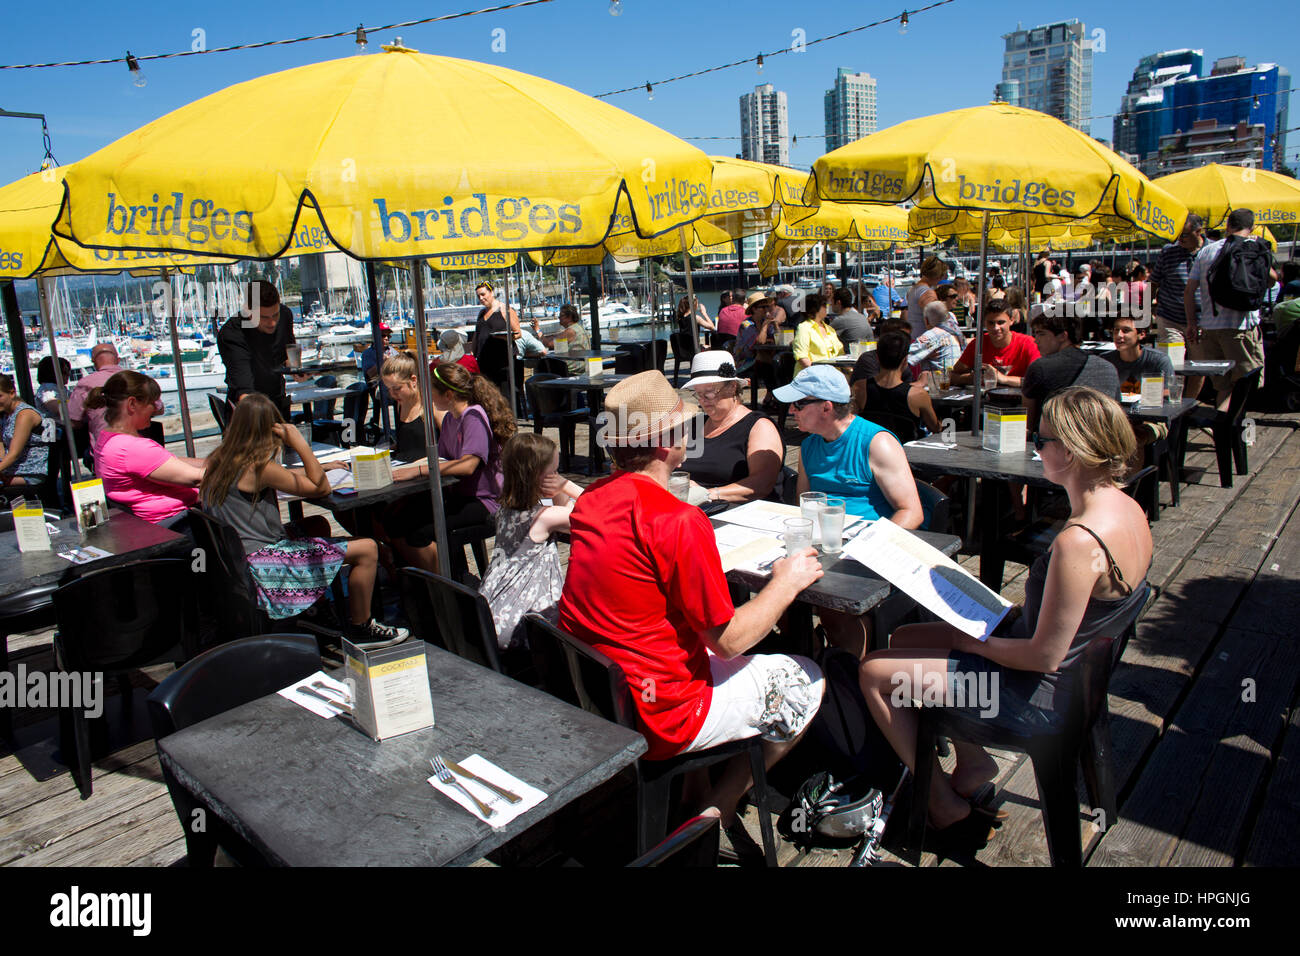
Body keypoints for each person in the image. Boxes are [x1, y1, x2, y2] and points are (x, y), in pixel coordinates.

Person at [858, 387, 1151, 842]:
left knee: (875, 672)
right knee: (907, 639)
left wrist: (966, 641)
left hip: (1039, 694)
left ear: (1071, 453)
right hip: (1072, 676)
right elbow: (1081, 613)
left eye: (1043, 440)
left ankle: (942, 804)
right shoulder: (1127, 507)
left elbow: (1043, 657)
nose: (1036, 447)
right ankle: (974, 763)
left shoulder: (1079, 540)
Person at [557, 370, 826, 856]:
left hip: (605, 693)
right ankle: (713, 813)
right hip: (665, 714)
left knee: (711, 659)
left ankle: (695, 791)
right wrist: (785, 583)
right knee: (807, 676)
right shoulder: (679, 520)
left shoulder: (591, 501)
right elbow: (730, 639)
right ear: (668, 442)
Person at [200, 393, 408, 645]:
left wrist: (323, 467)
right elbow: (321, 489)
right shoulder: (258, 466)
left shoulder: (219, 459)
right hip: (267, 568)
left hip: (237, 561)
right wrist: (301, 444)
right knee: (367, 548)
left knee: (317, 525)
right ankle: (362, 627)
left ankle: (316, 612)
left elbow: (283, 477)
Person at [780, 365, 924, 657]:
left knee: (835, 607)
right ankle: (809, 660)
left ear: (826, 407)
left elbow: (912, 512)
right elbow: (803, 505)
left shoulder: (876, 442)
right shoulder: (809, 446)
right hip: (824, 550)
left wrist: (865, 548)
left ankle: (850, 675)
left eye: (798, 404)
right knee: (777, 594)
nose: (791, 410)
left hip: (869, 554)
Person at [384, 360, 513, 573]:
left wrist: (418, 471)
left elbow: (468, 465)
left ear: (448, 395)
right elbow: (442, 458)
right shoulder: (451, 419)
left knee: (418, 530)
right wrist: (403, 470)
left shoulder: (473, 416)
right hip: (460, 494)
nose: (429, 397)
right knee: (396, 519)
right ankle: (433, 579)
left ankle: (449, 582)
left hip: (486, 500)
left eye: (432, 392)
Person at [479, 433, 582, 651]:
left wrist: (556, 491)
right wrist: (566, 486)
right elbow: (593, 510)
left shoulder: (505, 509)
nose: (557, 476)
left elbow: (562, 509)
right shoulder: (544, 517)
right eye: (553, 473)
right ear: (537, 476)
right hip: (523, 620)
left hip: (493, 609)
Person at [85, 371, 204, 528]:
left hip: (162, 522)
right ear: (132, 404)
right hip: (177, 525)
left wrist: (214, 461)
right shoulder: (130, 448)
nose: (156, 409)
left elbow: (166, 462)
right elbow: (198, 478)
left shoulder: (108, 437)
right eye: (152, 403)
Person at [1185, 207, 1276, 410]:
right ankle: (1236, 432)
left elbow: (1189, 291)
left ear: (1228, 225)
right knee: (1245, 384)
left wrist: (1192, 323)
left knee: (1223, 387)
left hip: (1210, 328)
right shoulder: (1253, 247)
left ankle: (1222, 430)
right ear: (1252, 227)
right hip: (1241, 328)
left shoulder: (1207, 251)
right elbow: (1272, 279)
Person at [681, 351, 783, 503]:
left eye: (709, 393)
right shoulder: (694, 424)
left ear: (732, 387)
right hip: (691, 510)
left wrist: (706, 494)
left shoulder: (758, 426)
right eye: (698, 394)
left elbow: (762, 484)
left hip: (739, 512)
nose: (703, 400)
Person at [1022, 311, 1120, 432]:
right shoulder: (1108, 367)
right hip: (1101, 443)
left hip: (1056, 446)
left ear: (1063, 336)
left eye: (1041, 334)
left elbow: (1027, 425)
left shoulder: (1040, 367)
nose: (1035, 340)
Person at [217, 279, 296, 419]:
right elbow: (245, 393)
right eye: (264, 317)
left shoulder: (285, 315)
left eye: (275, 315)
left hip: (278, 401)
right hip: (247, 412)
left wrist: (297, 370)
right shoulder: (232, 333)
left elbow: (288, 354)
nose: (272, 323)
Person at [1104, 313, 1176, 459]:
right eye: (1115, 330)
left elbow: (1172, 391)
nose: (1118, 335)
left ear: (1141, 334)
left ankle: (1133, 481)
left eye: (1125, 330)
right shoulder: (1105, 361)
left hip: (1152, 420)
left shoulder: (1157, 360)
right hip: (1117, 419)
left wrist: (1142, 396)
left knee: (1132, 438)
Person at [1151, 214, 1206, 401]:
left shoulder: (1211, 251)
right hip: (1170, 317)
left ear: (1199, 232)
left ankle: (1188, 406)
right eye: (1177, 235)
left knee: (1198, 367)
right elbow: (1154, 282)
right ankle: (1174, 404)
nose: (1180, 239)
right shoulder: (1168, 252)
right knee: (1172, 364)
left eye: (1184, 235)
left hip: (1202, 320)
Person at [69, 342, 164, 447]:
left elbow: (74, 420)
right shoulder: (137, 380)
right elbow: (159, 408)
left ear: (93, 361)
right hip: (138, 445)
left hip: (102, 447)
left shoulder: (85, 383)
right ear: (118, 360)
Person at [854, 330, 941, 435]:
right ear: (905, 360)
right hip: (905, 449)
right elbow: (935, 428)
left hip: (872, 446)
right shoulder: (918, 395)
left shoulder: (860, 388)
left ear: (877, 358)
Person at [950, 301, 1041, 389]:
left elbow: (1039, 380)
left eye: (1001, 322)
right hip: (985, 401)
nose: (996, 328)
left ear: (1011, 321)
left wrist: (1003, 379)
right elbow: (952, 375)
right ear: (985, 322)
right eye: (991, 323)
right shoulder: (978, 344)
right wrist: (970, 378)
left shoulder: (1028, 344)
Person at [0, 373, 50, 489]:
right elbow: (1, 447)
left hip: (31, 472)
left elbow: (14, 454)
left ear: (12, 393)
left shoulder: (25, 415)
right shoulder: (5, 415)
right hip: (13, 470)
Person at [907, 301, 964, 379]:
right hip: (956, 382)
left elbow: (904, 357)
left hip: (938, 384)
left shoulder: (932, 336)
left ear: (926, 320)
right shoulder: (957, 334)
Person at [792, 293, 844, 369]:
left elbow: (841, 354)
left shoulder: (830, 329)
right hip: (813, 375)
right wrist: (819, 373)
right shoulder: (804, 328)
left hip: (834, 374)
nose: (826, 307)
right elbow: (802, 357)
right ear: (815, 309)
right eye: (824, 305)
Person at [906, 257, 949, 339]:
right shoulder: (928, 293)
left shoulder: (913, 289)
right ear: (938, 275)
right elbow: (933, 321)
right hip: (925, 339)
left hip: (914, 336)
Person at [541, 304, 589, 376]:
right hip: (582, 365)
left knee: (542, 364)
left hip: (574, 368)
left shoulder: (571, 331)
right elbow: (558, 337)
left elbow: (549, 344)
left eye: (561, 316)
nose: (559, 318)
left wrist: (537, 330)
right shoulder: (578, 327)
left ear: (569, 317)